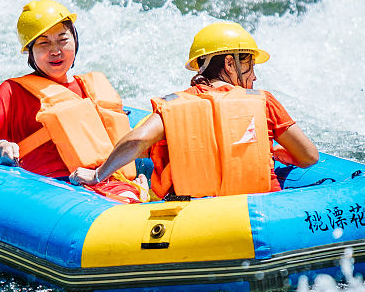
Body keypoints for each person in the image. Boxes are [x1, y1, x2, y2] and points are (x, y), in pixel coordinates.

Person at [69, 21, 318, 199]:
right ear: (230, 63)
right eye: (250, 64)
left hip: (197, 222)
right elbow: (309, 156)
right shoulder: (264, 102)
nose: (254, 76)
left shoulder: (174, 107)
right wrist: (283, 153)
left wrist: (98, 175)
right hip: (264, 214)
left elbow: (137, 139)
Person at [0, 0, 142, 196]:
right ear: (30, 51)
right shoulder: (12, 91)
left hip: (106, 184)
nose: (55, 51)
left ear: (75, 40)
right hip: (52, 192)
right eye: (44, 43)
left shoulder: (90, 89)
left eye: (63, 40)